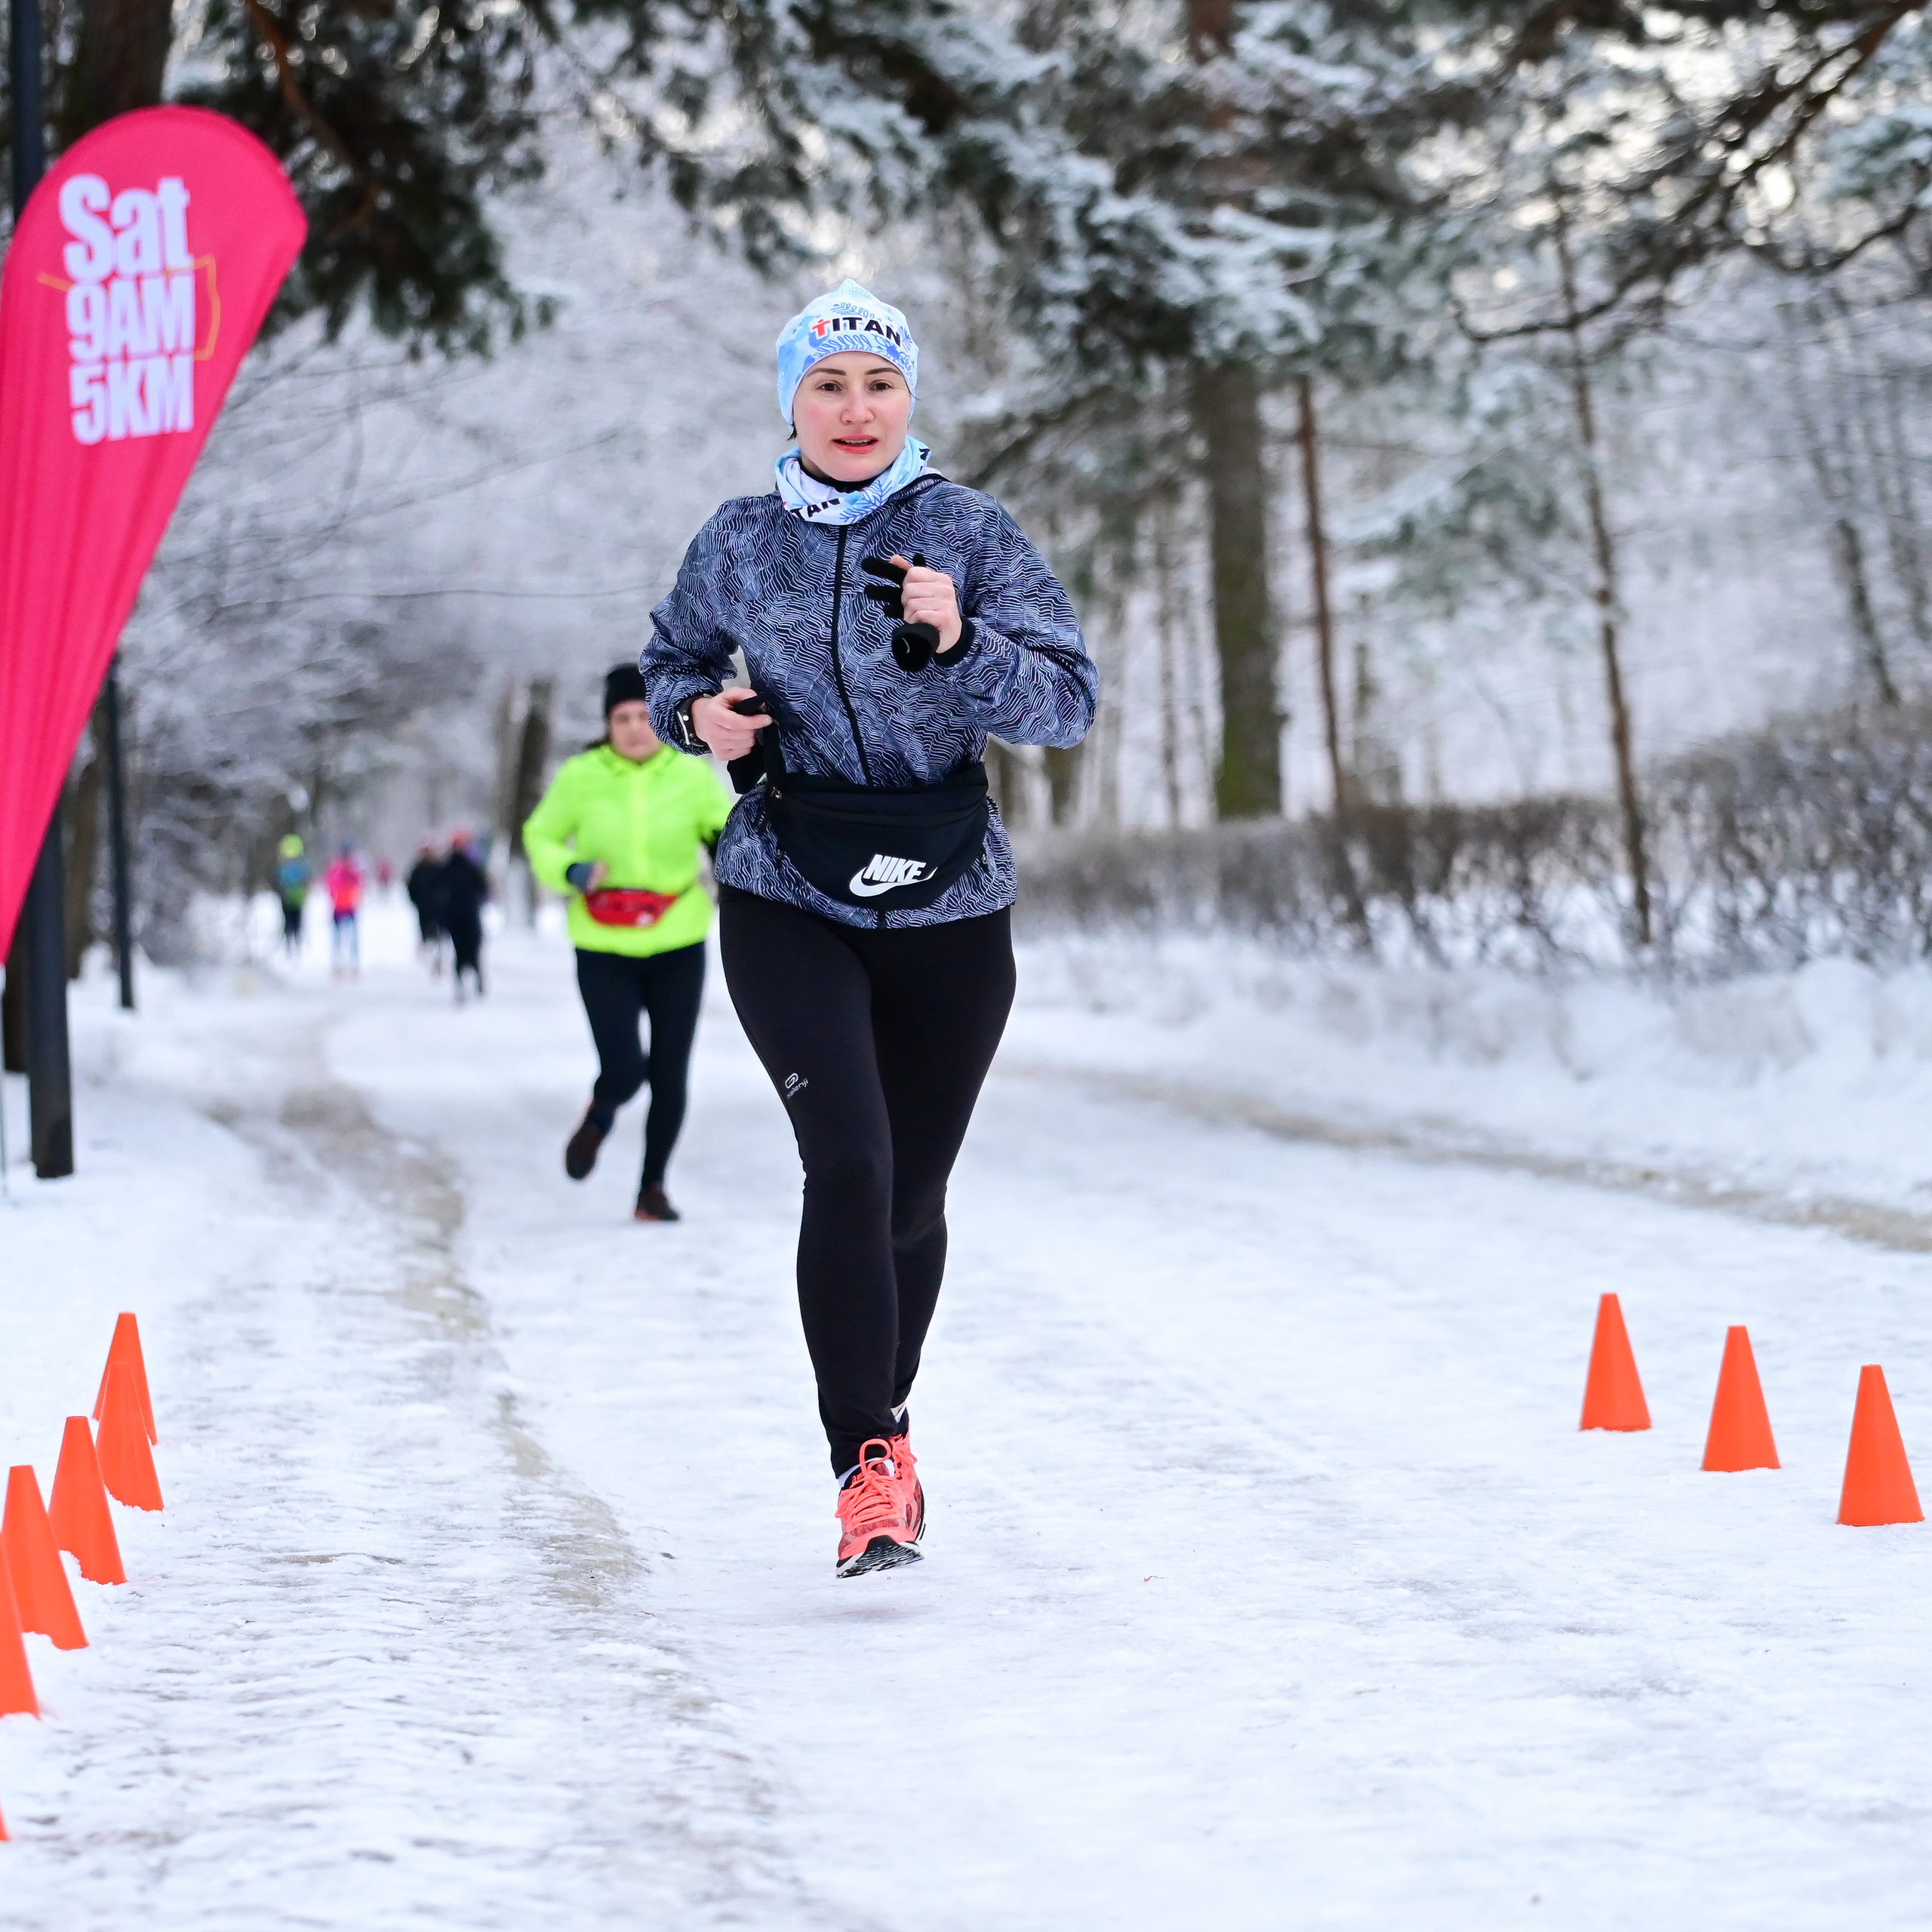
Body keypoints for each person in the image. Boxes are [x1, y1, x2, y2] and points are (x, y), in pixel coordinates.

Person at [641, 279, 1097, 1576]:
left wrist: (960, 645)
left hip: (951, 902)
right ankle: (866, 1462)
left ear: (911, 403)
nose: (856, 409)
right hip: (790, 884)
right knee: (846, 1160)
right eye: (829, 385)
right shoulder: (737, 540)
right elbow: (673, 659)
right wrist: (698, 721)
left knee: (911, 1190)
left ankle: (885, 1431)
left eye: (880, 385)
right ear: (792, 401)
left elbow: (1068, 701)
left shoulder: (970, 531)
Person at [524, 665, 732, 1222]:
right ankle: (600, 1115)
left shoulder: (690, 775)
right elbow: (539, 835)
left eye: (644, 715)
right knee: (623, 1068)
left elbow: (725, 831)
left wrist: (729, 858)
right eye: (623, 718)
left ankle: (652, 1189)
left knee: (669, 1072)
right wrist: (568, 869)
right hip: (603, 942)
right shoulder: (581, 775)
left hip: (677, 939)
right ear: (607, 723)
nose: (635, 728)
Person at [438, 832, 490, 1003]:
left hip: (456, 917)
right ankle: (475, 980)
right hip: (469, 916)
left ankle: (463, 983)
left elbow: (438, 893)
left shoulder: (446, 868)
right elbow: (483, 890)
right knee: (473, 949)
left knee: (460, 951)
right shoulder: (472, 867)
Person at [324, 844, 363, 978]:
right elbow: (331, 885)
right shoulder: (337, 870)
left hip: (350, 907)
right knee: (338, 938)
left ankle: (353, 965)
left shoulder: (353, 870)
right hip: (339, 908)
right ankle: (338, 965)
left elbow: (359, 884)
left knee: (353, 938)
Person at [405, 844, 446, 968]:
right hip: (423, 907)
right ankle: (427, 953)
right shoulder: (417, 869)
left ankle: (438, 958)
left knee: (438, 933)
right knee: (425, 931)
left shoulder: (439, 868)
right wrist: (415, 900)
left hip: (437, 907)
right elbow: (411, 886)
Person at [273, 834, 310, 955]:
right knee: (289, 921)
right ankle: (290, 945)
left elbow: (306, 880)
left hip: (295, 899)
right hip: (288, 899)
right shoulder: (285, 867)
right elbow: (277, 880)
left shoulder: (294, 866)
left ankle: (294, 945)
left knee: (295, 921)